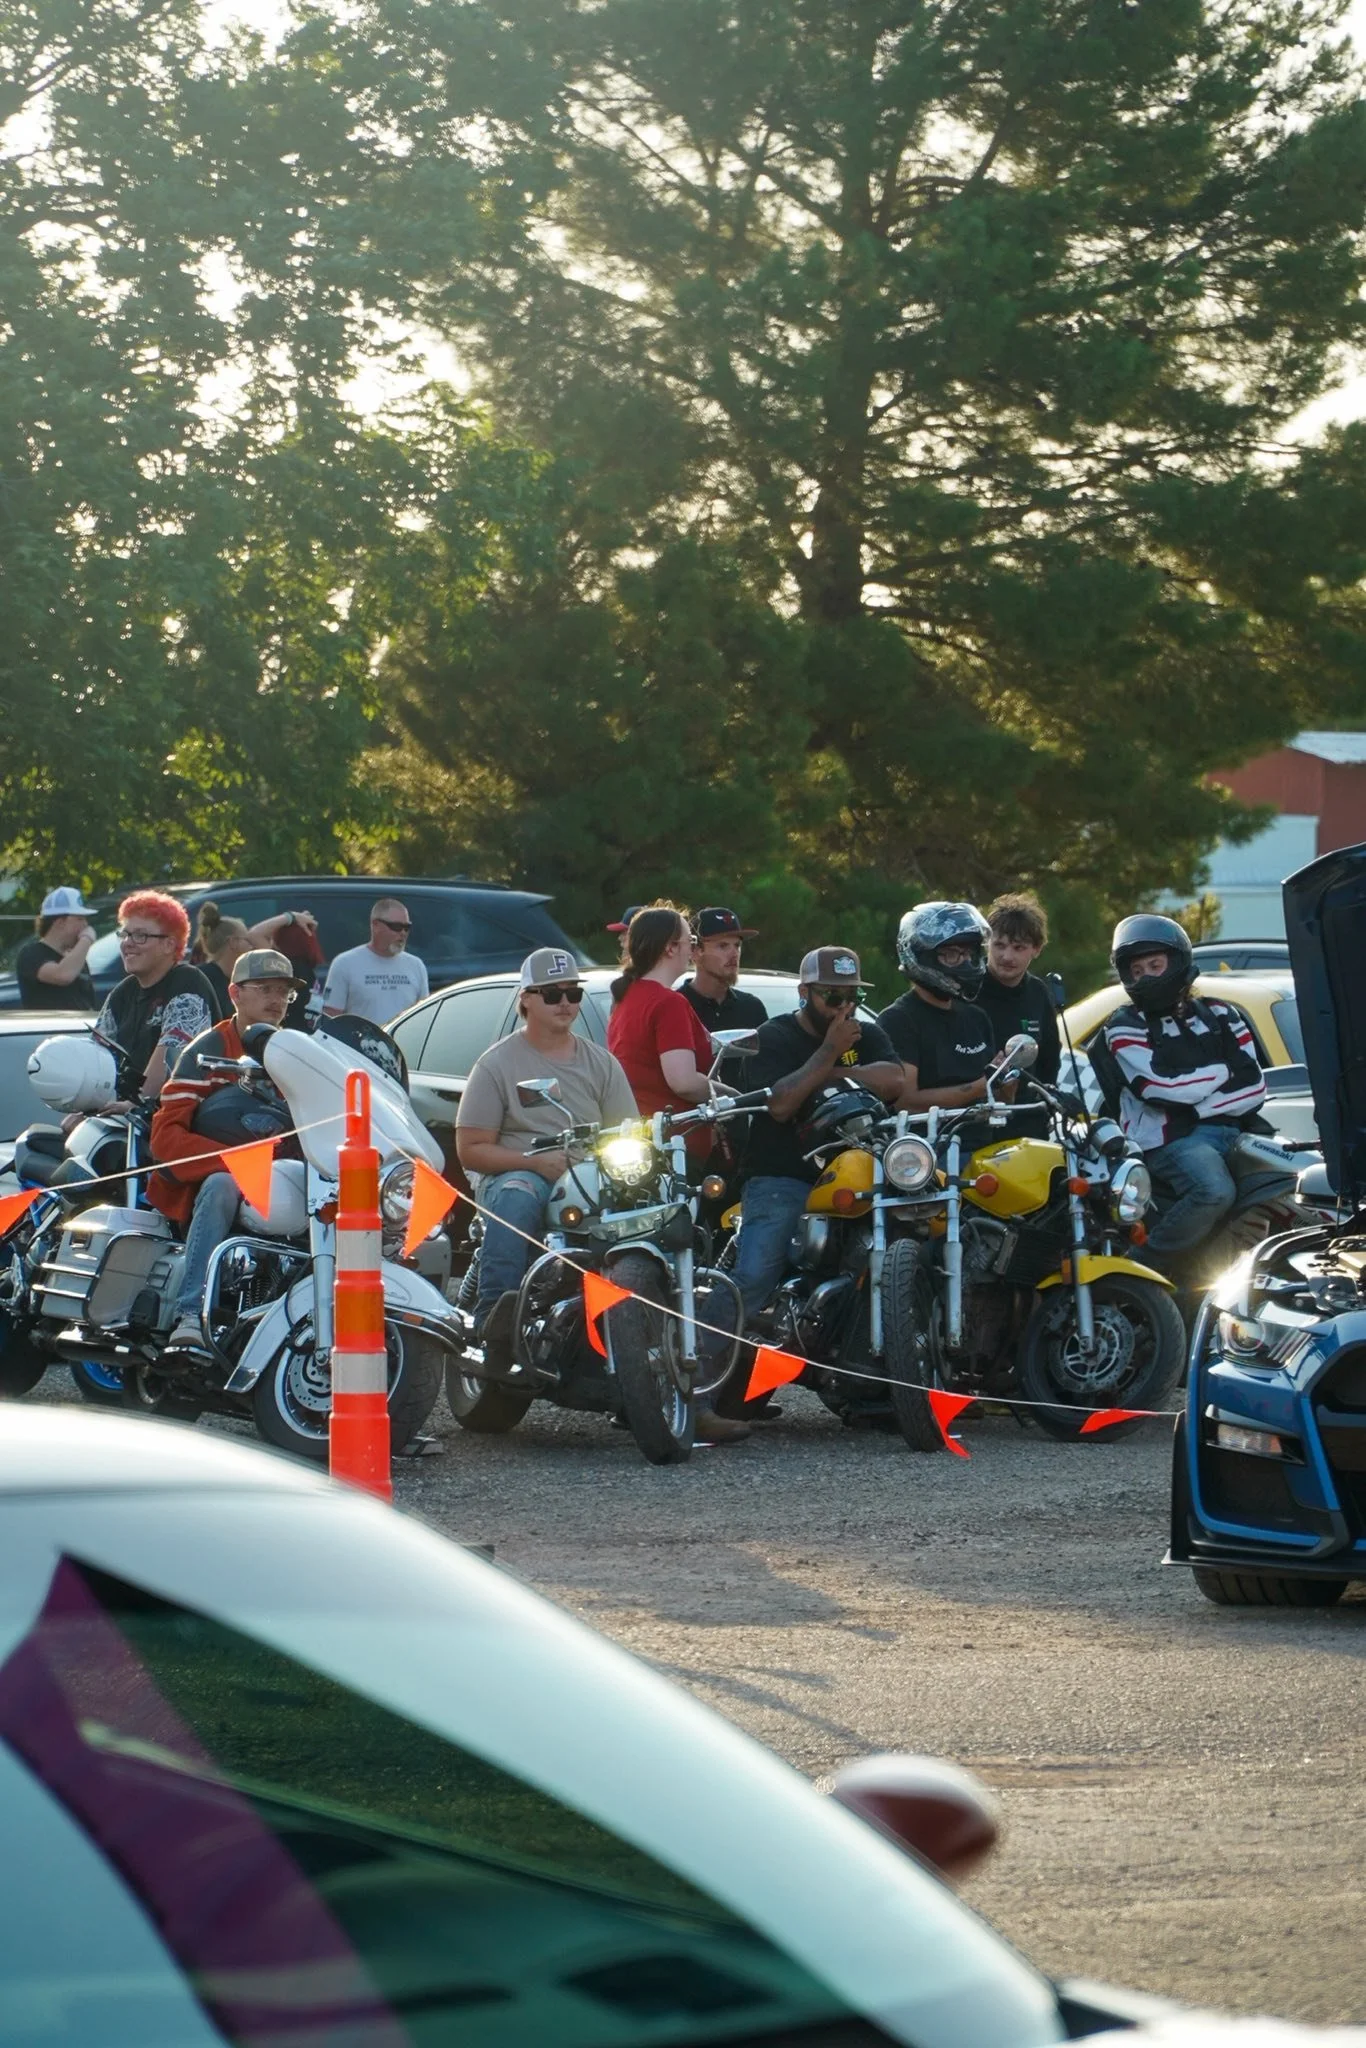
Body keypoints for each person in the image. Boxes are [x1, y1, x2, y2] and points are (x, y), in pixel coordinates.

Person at [456, 946, 637, 1362]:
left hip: (593, 1176)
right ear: (526, 999)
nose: (565, 1004)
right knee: (518, 1196)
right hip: (522, 1172)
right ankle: (495, 1321)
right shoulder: (496, 1063)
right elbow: (470, 1149)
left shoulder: (602, 1064)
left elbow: (630, 1132)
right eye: (552, 994)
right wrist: (534, 1162)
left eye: (573, 994)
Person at [731, 947, 902, 1326]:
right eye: (833, 995)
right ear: (804, 992)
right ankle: (703, 1367)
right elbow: (780, 1104)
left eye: (852, 996)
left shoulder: (866, 1033)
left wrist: (828, 1074)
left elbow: (895, 1081)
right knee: (754, 1278)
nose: (844, 1006)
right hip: (784, 1175)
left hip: (859, 1172)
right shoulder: (773, 1036)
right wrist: (831, 1050)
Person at [148, 949, 301, 1358]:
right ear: (235, 993)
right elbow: (165, 1139)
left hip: (282, 1173)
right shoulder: (210, 1048)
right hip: (211, 1180)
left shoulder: (296, 1050)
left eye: (285, 991)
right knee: (221, 1185)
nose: (276, 999)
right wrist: (236, 1162)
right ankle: (189, 1315)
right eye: (265, 988)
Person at [1097, 915, 1268, 1260]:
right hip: (1168, 1140)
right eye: (1137, 969)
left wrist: (1195, 1104)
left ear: (1176, 962)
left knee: (1285, 1184)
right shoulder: (1123, 1024)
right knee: (1214, 1191)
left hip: (1236, 1133)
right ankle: (1142, 1269)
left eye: (1155, 965)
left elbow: (1253, 1085)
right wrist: (1222, 1070)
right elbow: (1159, 1088)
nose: (1145, 975)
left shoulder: (1222, 1013)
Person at [94, 892, 218, 1105]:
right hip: (124, 1118)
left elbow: (172, 1053)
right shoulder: (123, 993)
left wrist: (137, 1103)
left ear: (169, 945)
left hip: (177, 1121)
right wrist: (84, 1108)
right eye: (125, 934)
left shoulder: (188, 982)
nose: (127, 943)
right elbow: (96, 1056)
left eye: (140, 936)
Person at [878, 903, 998, 1111]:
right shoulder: (898, 1020)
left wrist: (1005, 1076)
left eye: (970, 953)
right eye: (952, 955)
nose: (966, 964)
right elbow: (904, 1101)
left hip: (987, 1137)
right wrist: (981, 1086)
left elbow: (1000, 1098)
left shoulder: (976, 1018)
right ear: (921, 955)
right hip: (931, 1140)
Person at [606, 906, 716, 1120]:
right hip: (675, 1139)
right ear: (671, 948)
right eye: (690, 942)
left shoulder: (625, 995)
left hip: (639, 1129)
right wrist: (732, 1096)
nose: (692, 951)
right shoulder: (669, 1003)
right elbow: (683, 1082)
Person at [978, 893, 1062, 1085]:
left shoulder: (1039, 993)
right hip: (973, 1109)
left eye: (1018, 948)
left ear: (1037, 949)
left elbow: (1049, 1060)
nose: (1007, 956)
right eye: (999, 945)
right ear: (987, 943)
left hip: (1027, 1110)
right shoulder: (965, 988)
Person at [195, 902, 321, 1021]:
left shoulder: (244, 980)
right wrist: (291, 916)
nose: (252, 946)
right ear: (233, 943)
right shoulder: (201, 978)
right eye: (247, 940)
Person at [321, 898, 428, 1027]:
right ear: (375, 925)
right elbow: (331, 1017)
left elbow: (424, 1017)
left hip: (404, 1044)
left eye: (407, 927)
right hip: (359, 1044)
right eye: (396, 927)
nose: (403, 933)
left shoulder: (416, 966)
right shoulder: (345, 964)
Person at [679, 907, 768, 1035]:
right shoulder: (676, 1007)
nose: (734, 954)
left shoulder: (752, 1008)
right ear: (694, 951)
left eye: (737, 945)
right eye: (723, 946)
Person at [16, 888, 98, 1010]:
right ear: (60, 922)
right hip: (50, 1028)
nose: (85, 925)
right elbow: (63, 975)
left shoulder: (74, 958)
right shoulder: (31, 954)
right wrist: (86, 939)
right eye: (80, 919)